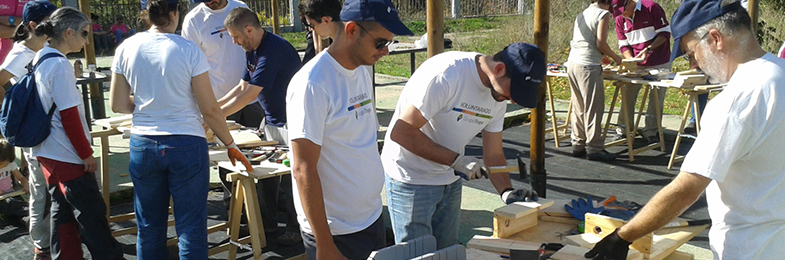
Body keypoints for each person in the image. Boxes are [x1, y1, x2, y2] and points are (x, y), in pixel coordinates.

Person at [586, 1, 785, 259]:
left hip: (750, 247)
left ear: (715, 39)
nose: (694, 65)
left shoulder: (736, 101)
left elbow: (687, 189)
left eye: (692, 53)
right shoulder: (779, 72)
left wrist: (622, 236)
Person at [109, 0, 253, 258]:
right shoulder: (187, 49)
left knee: (149, 228)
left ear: (147, 15)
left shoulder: (126, 47)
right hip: (186, 143)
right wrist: (231, 145)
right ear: (176, 13)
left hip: (143, 143)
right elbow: (209, 109)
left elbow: (118, 103)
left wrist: (151, 106)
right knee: (190, 228)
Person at [380, 42, 545, 248]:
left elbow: (493, 154)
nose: (512, 100)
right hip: (411, 177)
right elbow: (401, 132)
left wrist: (506, 192)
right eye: (514, 92)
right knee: (417, 253)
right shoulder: (448, 75)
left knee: (447, 251)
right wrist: (456, 160)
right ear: (499, 69)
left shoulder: (499, 94)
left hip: (450, 179)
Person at [286, 0, 413, 258]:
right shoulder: (313, 84)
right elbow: (303, 169)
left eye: (390, 43)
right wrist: (324, 244)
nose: (385, 51)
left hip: (370, 217)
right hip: (336, 232)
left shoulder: (362, 69)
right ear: (352, 30)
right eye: (380, 43)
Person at [31, 6, 124, 259]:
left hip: (48, 151)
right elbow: (69, 116)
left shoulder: (41, 57)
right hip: (67, 155)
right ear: (69, 32)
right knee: (92, 218)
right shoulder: (59, 65)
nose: (87, 39)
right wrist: (86, 154)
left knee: (62, 213)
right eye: (84, 33)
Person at [219, 6, 302, 245]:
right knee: (266, 177)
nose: (234, 42)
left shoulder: (273, 49)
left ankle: (296, 228)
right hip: (272, 120)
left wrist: (214, 116)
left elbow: (250, 94)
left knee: (289, 179)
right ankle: (266, 225)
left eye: (235, 37)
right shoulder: (253, 48)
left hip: (290, 122)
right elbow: (243, 86)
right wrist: (213, 108)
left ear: (248, 30)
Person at [0, 1, 56, 258]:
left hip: (51, 131)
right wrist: (11, 117)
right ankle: (41, 245)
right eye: (51, 19)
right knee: (40, 190)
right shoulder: (22, 53)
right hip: (35, 135)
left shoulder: (45, 47)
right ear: (34, 25)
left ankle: (56, 239)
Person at [565, 0, 623, 161]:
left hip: (573, 63)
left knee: (579, 106)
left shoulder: (582, 14)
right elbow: (600, 43)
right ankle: (594, 147)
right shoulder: (602, 14)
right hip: (588, 65)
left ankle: (578, 143)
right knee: (593, 108)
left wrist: (601, 57)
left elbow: (586, 42)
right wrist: (615, 57)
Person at [610, 0, 671, 144]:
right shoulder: (620, 19)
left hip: (659, 60)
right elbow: (623, 44)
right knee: (628, 93)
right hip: (637, 63)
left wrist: (649, 49)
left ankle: (651, 131)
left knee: (656, 97)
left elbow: (664, 34)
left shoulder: (651, 7)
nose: (622, 14)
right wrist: (630, 59)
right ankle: (624, 129)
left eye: (622, 10)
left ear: (629, 2)